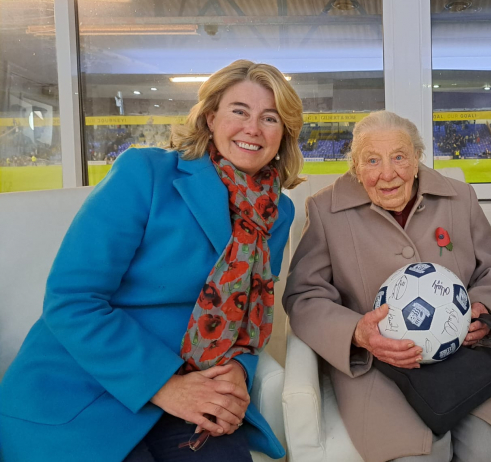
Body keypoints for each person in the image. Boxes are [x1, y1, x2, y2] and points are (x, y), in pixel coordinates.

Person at [0, 60, 304, 462]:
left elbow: (251, 316)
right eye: (239, 111)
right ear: (211, 117)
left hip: (198, 391)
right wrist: (168, 387)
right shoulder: (144, 173)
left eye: (269, 118)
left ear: (283, 135)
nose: (253, 128)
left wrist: (238, 370)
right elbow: (72, 300)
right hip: (87, 386)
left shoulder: (277, 212)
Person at [283, 111, 491, 462]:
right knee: (417, 456)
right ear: (355, 166)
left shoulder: (460, 197)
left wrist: (483, 309)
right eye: (372, 160)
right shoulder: (324, 210)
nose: (388, 173)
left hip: (462, 361)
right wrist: (357, 333)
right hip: (382, 370)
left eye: (399, 157)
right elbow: (304, 296)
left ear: (416, 159)